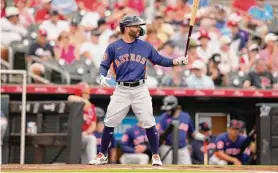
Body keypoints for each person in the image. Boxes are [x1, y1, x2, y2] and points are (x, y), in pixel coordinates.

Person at [89, 14, 188, 166]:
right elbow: (104, 64)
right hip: (121, 89)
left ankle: (155, 156)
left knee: (149, 122)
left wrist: (177, 61)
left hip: (140, 89)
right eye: (135, 26)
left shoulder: (145, 45)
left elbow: (161, 60)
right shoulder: (114, 46)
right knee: (109, 122)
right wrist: (102, 76)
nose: (138, 28)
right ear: (127, 28)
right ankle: (102, 155)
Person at [156, 95, 206, 165]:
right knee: (168, 169)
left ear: (175, 106)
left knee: (187, 168)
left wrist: (203, 137)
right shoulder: (162, 118)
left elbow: (192, 132)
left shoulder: (186, 116)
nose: (168, 110)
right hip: (168, 147)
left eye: (170, 108)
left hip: (182, 147)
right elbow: (157, 133)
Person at [67, 83, 97, 164]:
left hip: (84, 136)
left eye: (88, 93)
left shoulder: (92, 107)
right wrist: (84, 101)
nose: (88, 95)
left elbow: (93, 125)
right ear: (80, 93)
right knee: (91, 139)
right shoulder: (74, 102)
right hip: (73, 137)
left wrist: (86, 132)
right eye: (86, 93)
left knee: (91, 138)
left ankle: (93, 163)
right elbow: (70, 98)